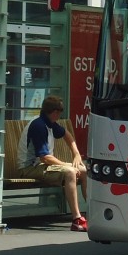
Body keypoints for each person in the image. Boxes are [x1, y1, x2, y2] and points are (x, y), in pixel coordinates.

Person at [17, 95, 88, 231]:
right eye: (59, 113)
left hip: (42, 166)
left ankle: (91, 211)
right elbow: (45, 158)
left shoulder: (48, 123)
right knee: (70, 172)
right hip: (29, 168)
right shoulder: (38, 126)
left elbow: (66, 134)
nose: (60, 116)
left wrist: (76, 153)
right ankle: (76, 219)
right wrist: (65, 164)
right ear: (55, 112)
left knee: (84, 171)